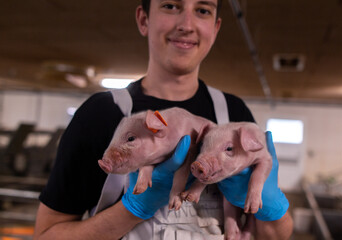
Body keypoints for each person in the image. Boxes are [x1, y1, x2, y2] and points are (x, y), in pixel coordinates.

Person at [34, 0, 293, 239]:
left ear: (215, 29)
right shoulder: (101, 114)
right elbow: (46, 235)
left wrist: (272, 208)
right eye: (171, 5)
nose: (186, 25)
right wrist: (131, 211)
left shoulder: (234, 115)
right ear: (144, 19)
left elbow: (273, 235)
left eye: (202, 10)